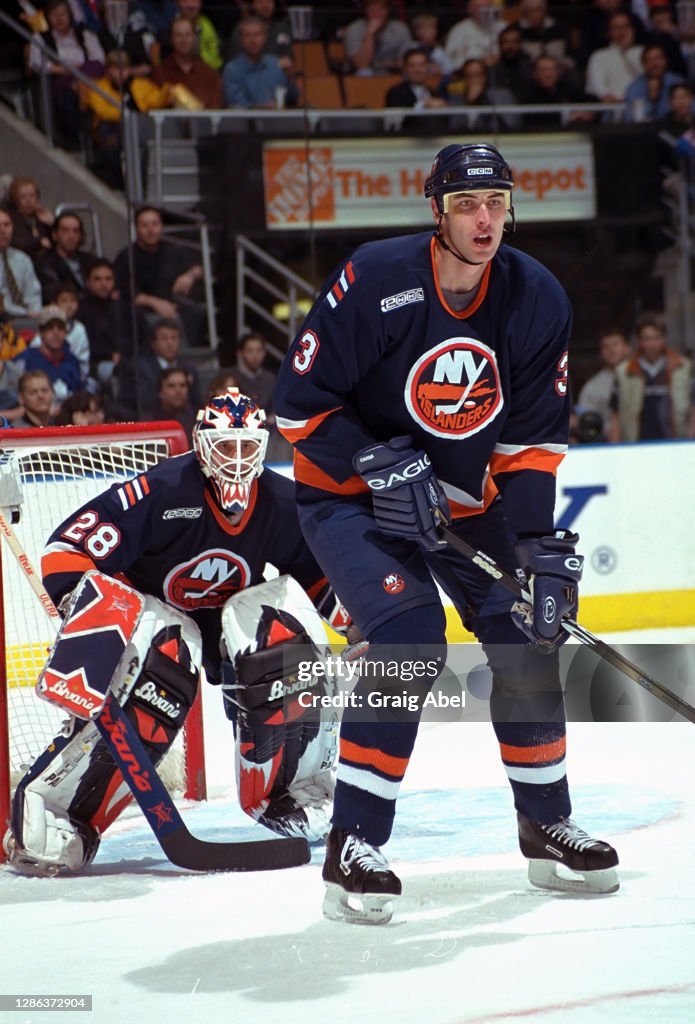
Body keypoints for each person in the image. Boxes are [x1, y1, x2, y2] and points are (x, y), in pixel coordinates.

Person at [274, 142, 620, 925]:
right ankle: (354, 842)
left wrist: (532, 548)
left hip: (464, 501)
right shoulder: (377, 277)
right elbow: (296, 407)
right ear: (436, 210)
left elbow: (529, 446)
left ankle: (544, 821)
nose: (483, 218)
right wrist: (375, 463)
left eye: (495, 202)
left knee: (524, 629)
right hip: (349, 500)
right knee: (409, 635)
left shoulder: (536, 298)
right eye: (466, 204)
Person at [3, 388, 351, 876]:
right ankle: (63, 814)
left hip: (226, 626)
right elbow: (66, 550)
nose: (235, 460)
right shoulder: (162, 489)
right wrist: (84, 612)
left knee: (279, 629)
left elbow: (317, 576)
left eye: (246, 446)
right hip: (154, 626)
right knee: (161, 670)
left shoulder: (280, 500)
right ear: (200, 444)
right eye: (224, 446)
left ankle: (290, 792)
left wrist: (357, 625)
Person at [113, 205, 205, 346]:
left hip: (173, 306)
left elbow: (199, 268)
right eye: (145, 225)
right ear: (136, 228)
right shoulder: (126, 256)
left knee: (196, 314)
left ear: (161, 226)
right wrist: (155, 303)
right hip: (143, 311)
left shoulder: (173, 250)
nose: (151, 230)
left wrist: (189, 275)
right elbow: (125, 292)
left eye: (155, 224)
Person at [610, 313, 692, 441]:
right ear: (639, 340)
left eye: (657, 338)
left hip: (675, 442)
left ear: (664, 338)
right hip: (636, 444)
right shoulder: (624, 371)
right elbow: (616, 414)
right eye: (646, 338)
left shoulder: (682, 367)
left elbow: (692, 407)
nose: (652, 344)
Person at [222, 13, 296, 109]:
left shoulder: (277, 64)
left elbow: (293, 100)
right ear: (240, 39)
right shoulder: (232, 69)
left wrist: (290, 78)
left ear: (265, 37)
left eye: (257, 35)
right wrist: (266, 109)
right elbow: (237, 105)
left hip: (278, 121)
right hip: (245, 122)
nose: (253, 40)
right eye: (247, 35)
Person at [13, 304, 84, 403]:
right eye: (50, 327)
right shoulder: (25, 359)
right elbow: (16, 397)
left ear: (66, 332)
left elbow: (79, 394)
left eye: (60, 328)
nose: (56, 332)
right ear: (41, 332)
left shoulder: (72, 361)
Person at [151, 14, 223, 109]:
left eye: (188, 35)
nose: (183, 40)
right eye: (178, 35)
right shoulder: (159, 73)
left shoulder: (208, 73)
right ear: (171, 39)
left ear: (195, 38)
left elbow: (216, 108)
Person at [574, 328, 630, 440]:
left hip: (644, 442)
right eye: (606, 346)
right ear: (600, 353)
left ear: (627, 348)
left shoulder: (641, 377)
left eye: (616, 344)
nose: (611, 350)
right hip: (606, 446)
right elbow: (585, 422)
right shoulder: (592, 385)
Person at [585, 11, 644, 103]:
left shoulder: (644, 52)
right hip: (613, 108)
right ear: (609, 32)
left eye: (625, 26)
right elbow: (597, 87)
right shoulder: (599, 56)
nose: (622, 31)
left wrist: (627, 50)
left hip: (642, 105)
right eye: (616, 27)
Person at [37, 211, 95, 302]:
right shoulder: (45, 263)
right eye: (65, 230)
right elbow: (55, 294)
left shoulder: (90, 261)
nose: (71, 236)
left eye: (76, 231)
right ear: (55, 235)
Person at [343, 0, 413, 76]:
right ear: (365, 12)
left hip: (394, 72)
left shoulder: (400, 28)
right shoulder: (354, 29)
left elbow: (407, 61)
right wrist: (370, 34)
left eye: (381, 9)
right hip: (361, 76)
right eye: (372, 10)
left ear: (387, 11)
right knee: (364, 72)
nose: (376, 14)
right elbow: (362, 64)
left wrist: (379, 64)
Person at [0, 209, 43, 322]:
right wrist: (24, 313)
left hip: (29, 318)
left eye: (7, 225)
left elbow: (33, 293)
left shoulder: (22, 259)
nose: (3, 230)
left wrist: (35, 313)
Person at [3, 176, 54, 264]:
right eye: (23, 197)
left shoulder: (40, 216)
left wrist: (52, 223)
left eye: (32, 196)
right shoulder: (10, 218)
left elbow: (54, 243)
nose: (28, 201)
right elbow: (18, 242)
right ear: (16, 199)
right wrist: (39, 242)